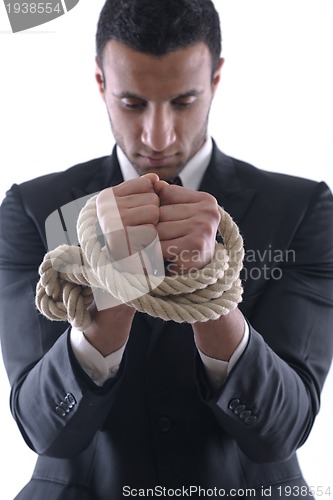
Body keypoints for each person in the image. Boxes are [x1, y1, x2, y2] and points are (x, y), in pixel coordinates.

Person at [1, 0, 333, 498]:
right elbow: (43, 429)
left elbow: (281, 432)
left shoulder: (303, 208)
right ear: (101, 83)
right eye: (133, 103)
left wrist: (209, 293)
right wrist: (112, 291)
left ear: (216, 79)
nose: (159, 135)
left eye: (183, 100)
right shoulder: (34, 208)